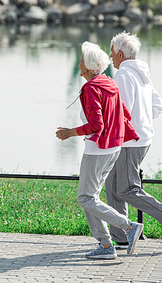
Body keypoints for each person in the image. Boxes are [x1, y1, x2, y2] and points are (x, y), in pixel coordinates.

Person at [56, 41, 143, 260]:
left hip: (96, 151)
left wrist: (70, 132)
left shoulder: (92, 88)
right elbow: (125, 113)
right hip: (113, 148)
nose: (78, 66)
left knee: (85, 198)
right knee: (90, 197)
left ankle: (129, 226)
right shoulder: (109, 83)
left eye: (81, 61)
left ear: (89, 65)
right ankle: (106, 246)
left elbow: (96, 125)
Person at [107, 31, 162, 251]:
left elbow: (123, 112)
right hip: (142, 137)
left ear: (120, 53)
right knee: (112, 185)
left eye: (112, 53)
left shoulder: (123, 75)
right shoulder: (141, 73)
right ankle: (122, 237)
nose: (111, 57)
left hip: (128, 141)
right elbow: (157, 106)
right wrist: (143, 122)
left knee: (126, 189)